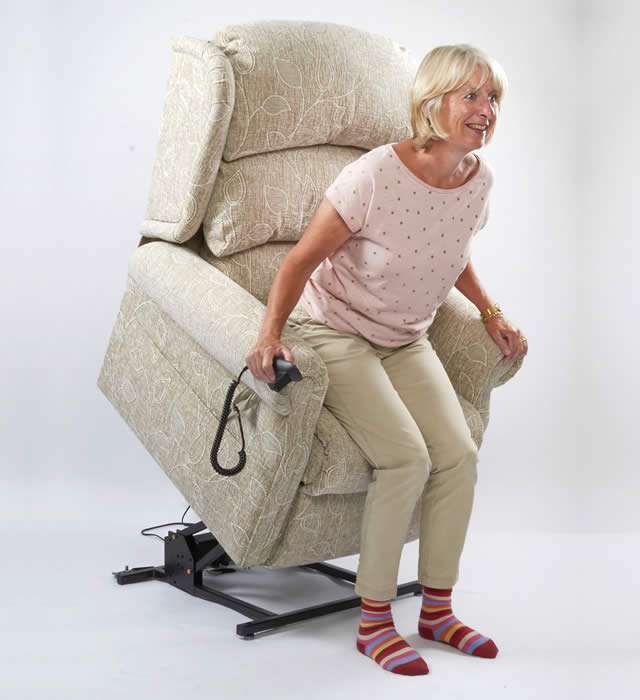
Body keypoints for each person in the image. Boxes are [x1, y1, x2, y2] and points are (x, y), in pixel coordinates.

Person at [246, 44, 527, 676]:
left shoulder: (477, 179)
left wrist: (491, 311)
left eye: (494, 99)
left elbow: (450, 253)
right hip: (335, 333)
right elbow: (298, 261)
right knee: (407, 456)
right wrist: (268, 335)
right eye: (472, 96)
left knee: (458, 453)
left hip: (406, 337)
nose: (486, 111)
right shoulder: (375, 174)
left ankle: (437, 610)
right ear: (434, 104)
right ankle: (373, 620)